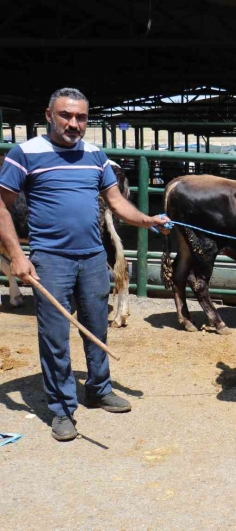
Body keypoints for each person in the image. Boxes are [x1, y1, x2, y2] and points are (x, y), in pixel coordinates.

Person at [0, 88, 171, 441]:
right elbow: (2, 205)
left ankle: (98, 389)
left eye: (80, 117)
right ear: (49, 116)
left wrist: (147, 220)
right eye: (66, 115)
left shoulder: (95, 154)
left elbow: (116, 202)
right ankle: (61, 409)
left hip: (93, 257)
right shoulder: (26, 153)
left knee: (98, 327)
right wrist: (17, 256)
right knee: (54, 337)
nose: (73, 123)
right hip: (50, 260)